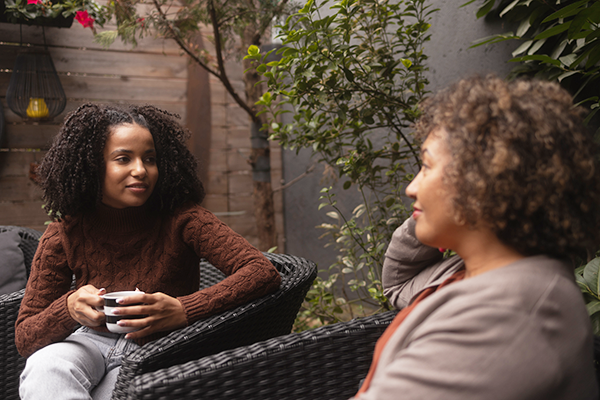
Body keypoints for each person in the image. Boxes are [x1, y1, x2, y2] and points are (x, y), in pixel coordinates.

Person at [353, 75, 600, 400]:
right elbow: (398, 284)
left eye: (426, 166)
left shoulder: (507, 317)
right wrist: (432, 215)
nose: (411, 187)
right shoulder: (470, 269)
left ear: (482, 180)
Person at [15, 104, 281, 400]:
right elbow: (26, 336)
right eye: (123, 159)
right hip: (87, 344)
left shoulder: (185, 219)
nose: (141, 170)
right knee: (45, 368)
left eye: (150, 159)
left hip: (160, 350)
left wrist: (183, 309)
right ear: (92, 164)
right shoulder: (65, 232)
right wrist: (69, 307)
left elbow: (261, 271)